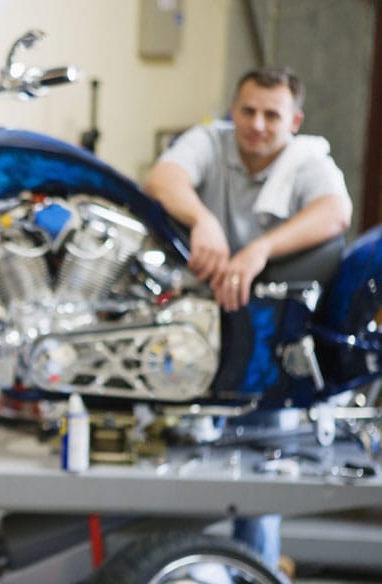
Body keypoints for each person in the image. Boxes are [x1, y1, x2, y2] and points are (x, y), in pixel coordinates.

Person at [144, 66, 352, 576]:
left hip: (266, 337)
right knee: (183, 456)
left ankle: (256, 569)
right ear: (232, 110)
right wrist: (204, 220)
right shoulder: (209, 142)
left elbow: (336, 212)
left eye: (271, 115)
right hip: (202, 328)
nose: (257, 124)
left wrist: (259, 250)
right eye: (247, 111)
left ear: (294, 120)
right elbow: (162, 179)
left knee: (261, 467)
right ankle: (184, 566)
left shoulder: (309, 160)